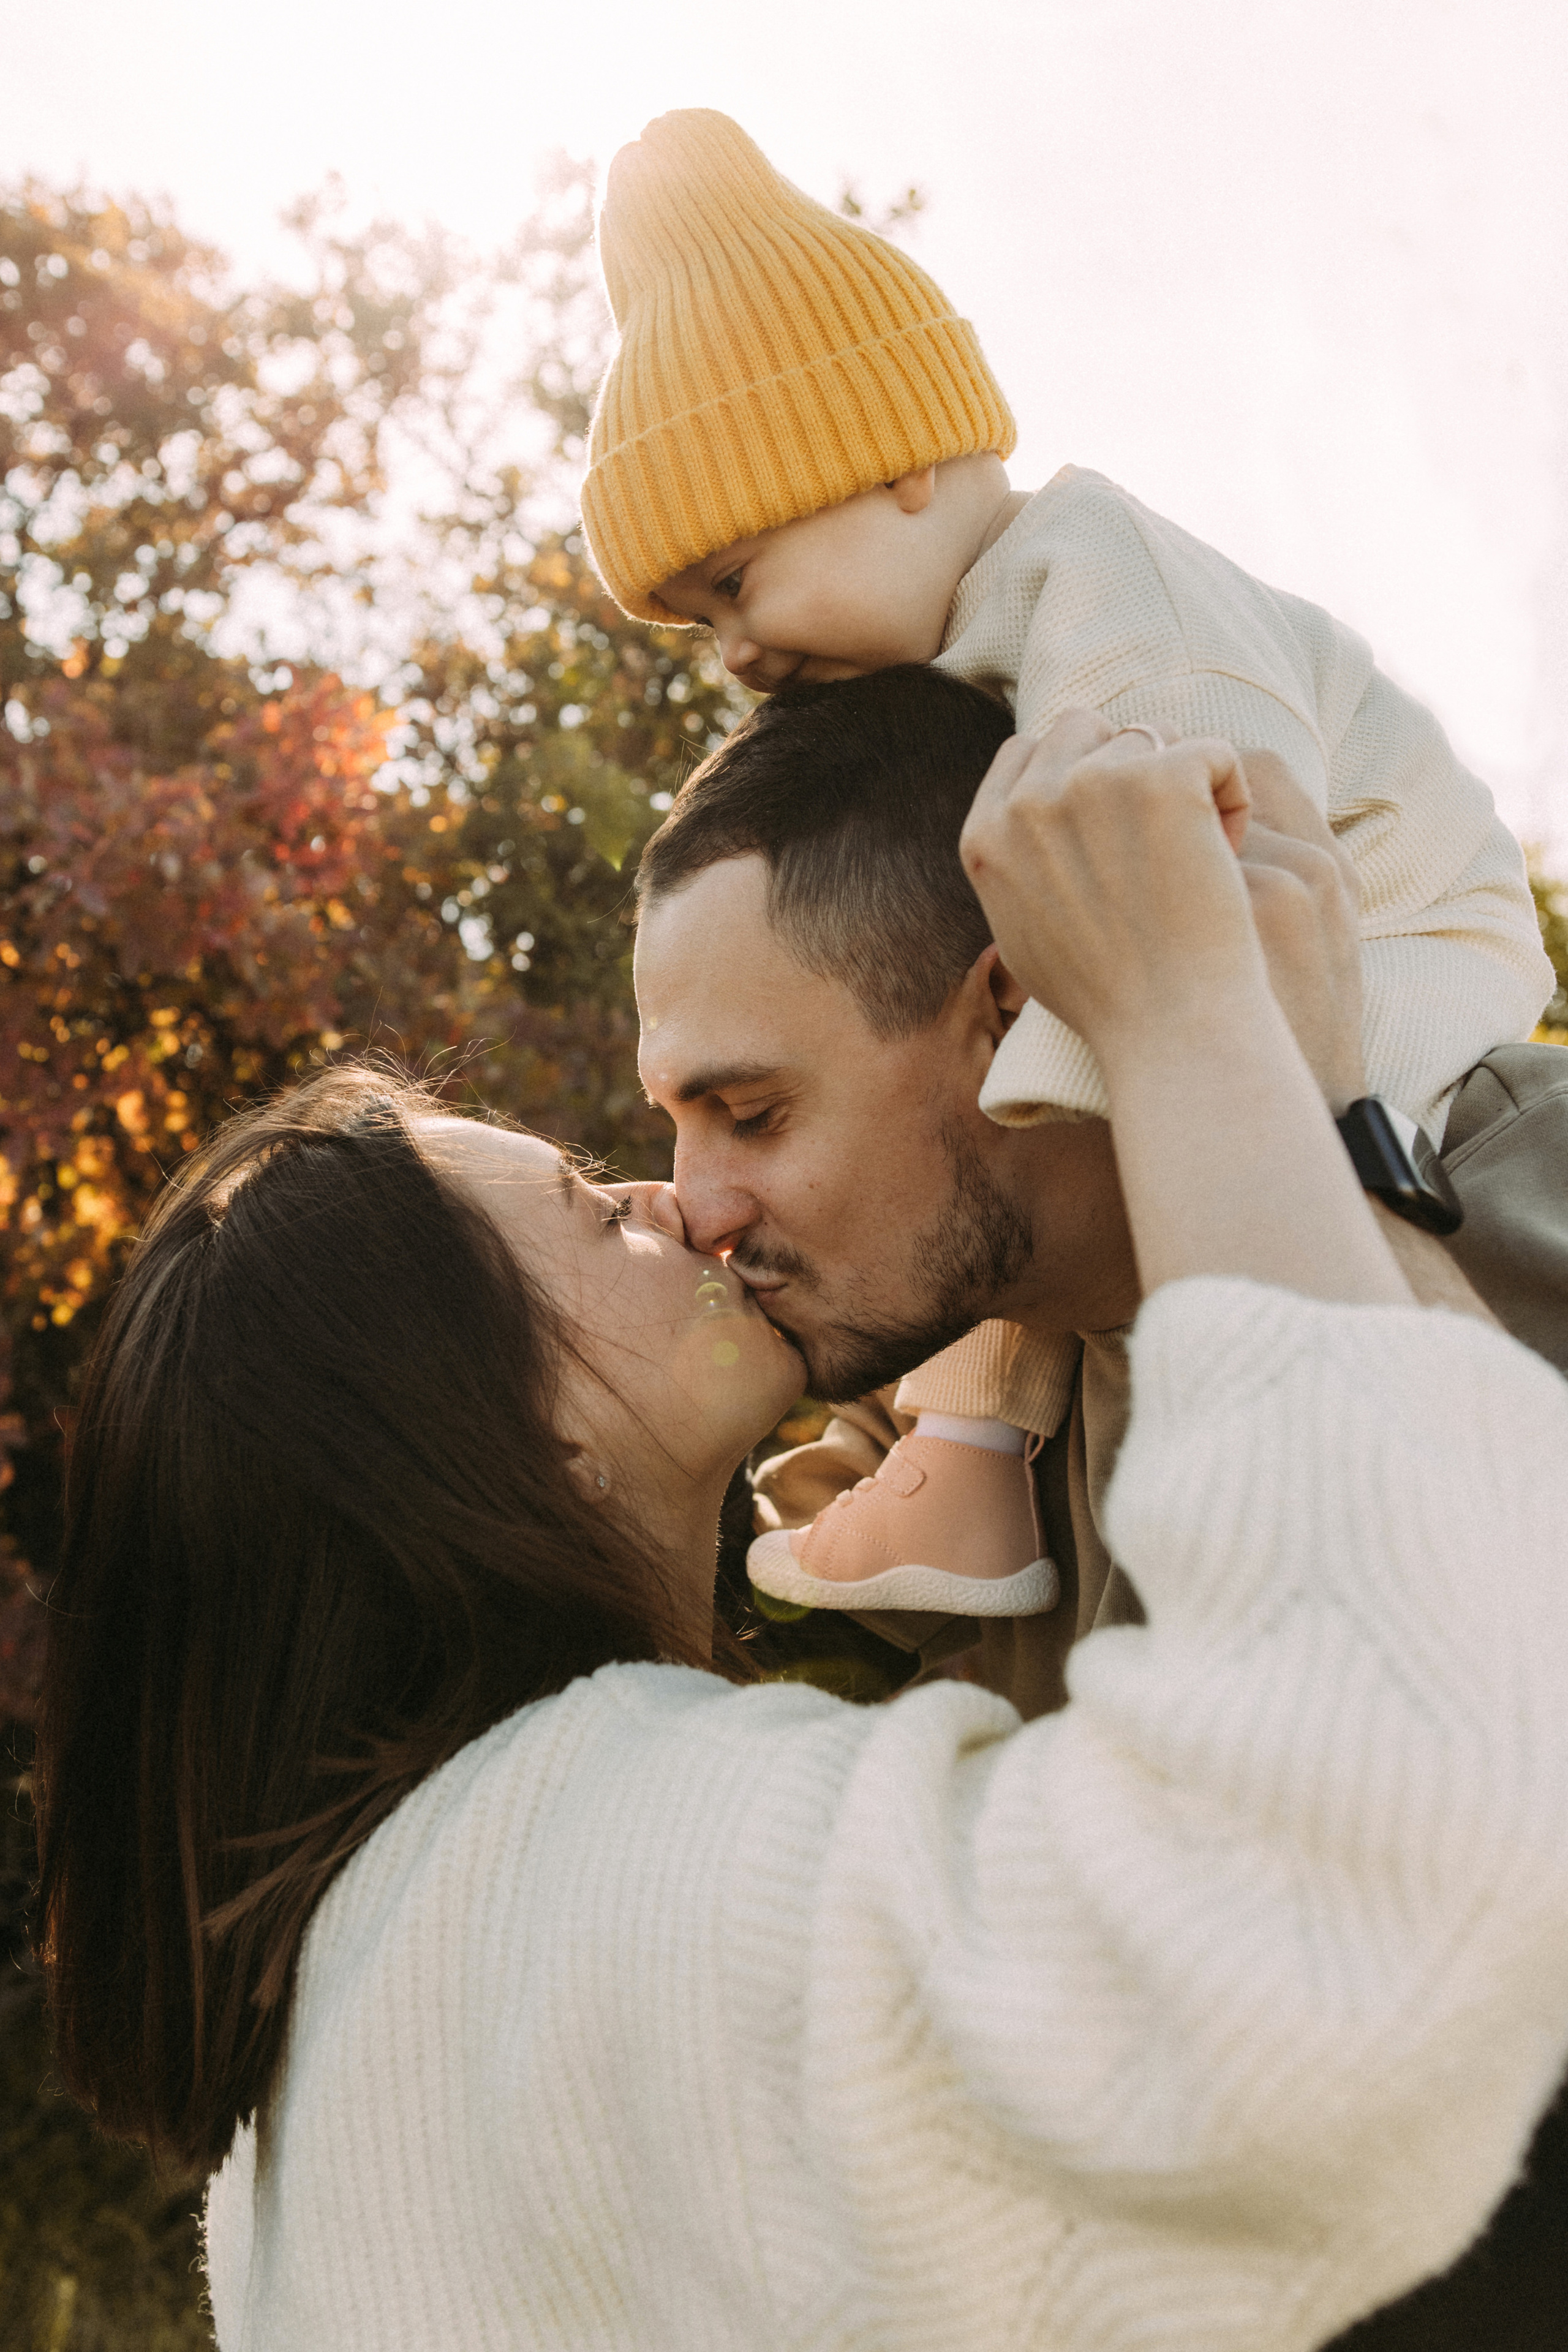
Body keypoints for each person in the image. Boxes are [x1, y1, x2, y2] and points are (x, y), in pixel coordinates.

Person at [38, 719, 1568, 2350]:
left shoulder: (352, 2043)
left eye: (744, 1113)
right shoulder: (580, 1877)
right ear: (489, 1418)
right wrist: (1234, 1053)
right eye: (593, 1202)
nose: (682, 1204)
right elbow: (1345, 1892)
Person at [582, 104, 1555, 1604]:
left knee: (1268, 1149)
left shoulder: (1110, 598)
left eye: (732, 584)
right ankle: (961, 1475)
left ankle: (970, 1460)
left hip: (1396, 936)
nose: (732, 653)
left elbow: (1219, 876)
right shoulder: (975, 700)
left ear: (895, 464)